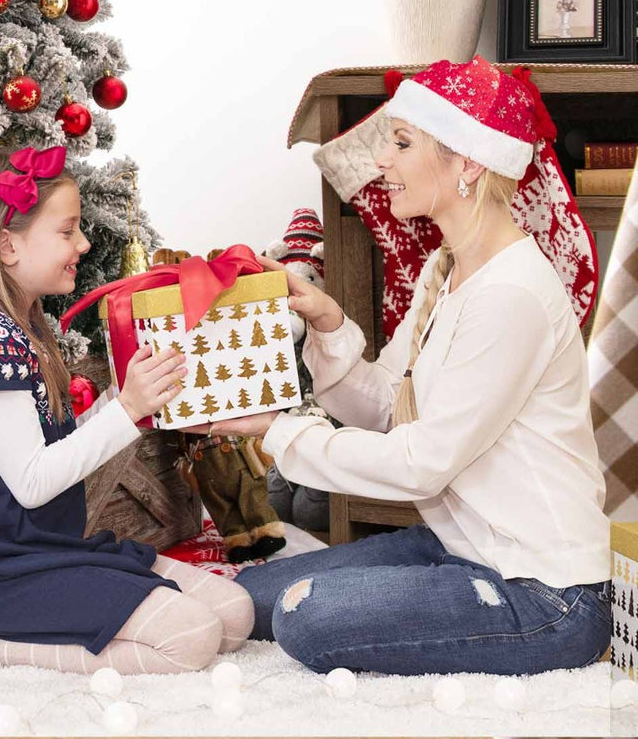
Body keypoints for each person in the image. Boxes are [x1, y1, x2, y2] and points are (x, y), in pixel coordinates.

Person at [224, 56, 611, 676]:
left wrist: (279, 431)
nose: (381, 162)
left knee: (306, 617)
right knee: (244, 598)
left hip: (545, 592)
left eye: (402, 143)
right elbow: (383, 408)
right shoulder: (445, 271)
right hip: (463, 550)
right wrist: (327, 320)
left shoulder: (511, 293)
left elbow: (421, 465)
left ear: (469, 162)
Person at [0, 144, 254, 673]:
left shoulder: (19, 327)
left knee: (234, 614)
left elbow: (53, 447)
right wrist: (126, 411)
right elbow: (31, 481)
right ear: (8, 246)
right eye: (67, 230)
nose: (84, 242)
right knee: (192, 638)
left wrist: (124, 400)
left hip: (49, 551)